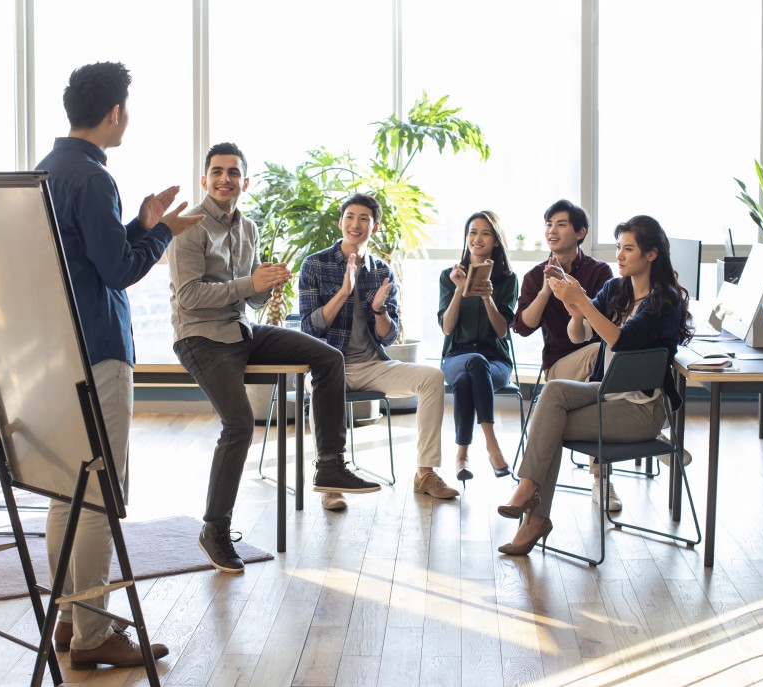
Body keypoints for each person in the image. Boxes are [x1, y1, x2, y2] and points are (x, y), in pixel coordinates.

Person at [37, 61, 203, 669]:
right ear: (113, 113)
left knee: (67, 489)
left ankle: (68, 618)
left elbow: (91, 255)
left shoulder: (47, 171)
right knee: (101, 492)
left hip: (55, 352)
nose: (126, 118)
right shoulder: (92, 178)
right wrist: (161, 237)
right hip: (99, 350)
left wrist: (143, 223)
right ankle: (94, 635)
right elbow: (120, 270)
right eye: (126, 109)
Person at [168, 144, 380, 559]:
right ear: (204, 179)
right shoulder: (189, 227)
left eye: (233, 173)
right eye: (217, 172)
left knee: (327, 358)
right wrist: (251, 285)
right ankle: (215, 529)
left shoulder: (248, 229)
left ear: (244, 183)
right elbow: (191, 297)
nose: (224, 179)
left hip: (240, 329)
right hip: (200, 336)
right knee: (239, 424)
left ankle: (330, 464)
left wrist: (264, 288)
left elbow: (248, 302)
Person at [496, 215, 693, 555]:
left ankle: (534, 516)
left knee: (549, 425)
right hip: (607, 393)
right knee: (553, 393)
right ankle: (529, 490)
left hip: (641, 409)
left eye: (628, 249)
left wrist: (583, 301)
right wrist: (575, 309)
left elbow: (622, 339)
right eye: (618, 247)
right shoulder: (616, 289)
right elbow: (580, 335)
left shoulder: (665, 301)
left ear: (651, 254)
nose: (619, 255)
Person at [300, 193, 459, 509]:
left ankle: (425, 473)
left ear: (374, 227)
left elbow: (388, 337)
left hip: (372, 365)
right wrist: (344, 291)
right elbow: (309, 328)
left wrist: (378, 311)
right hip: (328, 366)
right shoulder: (315, 264)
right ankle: (330, 478)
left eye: (363, 219)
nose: (355, 224)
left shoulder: (381, 271)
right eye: (349, 217)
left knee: (432, 378)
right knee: (321, 385)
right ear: (340, 221)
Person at [437, 210, 518, 482]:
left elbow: (502, 331)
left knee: (465, 380)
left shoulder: (507, 279)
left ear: (496, 240)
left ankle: (461, 456)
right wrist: (460, 289)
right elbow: (447, 328)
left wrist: (487, 298)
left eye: (485, 233)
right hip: (456, 357)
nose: (477, 238)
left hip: (495, 361)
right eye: (472, 232)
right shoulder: (449, 276)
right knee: (471, 363)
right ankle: (493, 446)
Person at [513, 199, 612, 382]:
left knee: (604, 354)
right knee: (599, 353)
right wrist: (545, 292)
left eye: (561, 224)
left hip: (597, 359)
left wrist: (574, 292)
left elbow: (607, 320)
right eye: (549, 224)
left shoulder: (599, 271)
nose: (552, 230)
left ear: (580, 232)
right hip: (559, 364)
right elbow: (522, 328)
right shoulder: (534, 276)